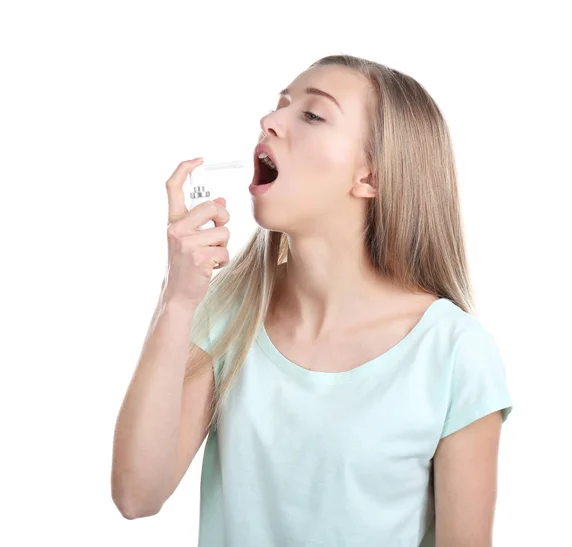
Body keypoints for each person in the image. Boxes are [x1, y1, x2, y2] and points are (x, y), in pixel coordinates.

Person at [112, 54, 513, 547]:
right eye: (280, 105)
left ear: (370, 178)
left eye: (312, 115)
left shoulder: (454, 353)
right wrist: (177, 299)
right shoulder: (230, 317)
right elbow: (136, 495)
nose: (269, 121)